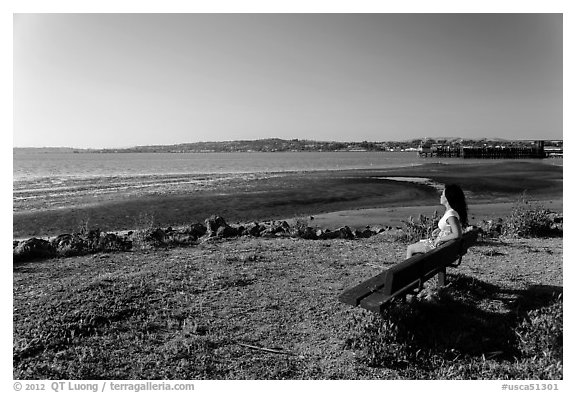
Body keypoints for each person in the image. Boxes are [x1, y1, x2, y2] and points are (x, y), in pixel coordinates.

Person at [406, 184, 468, 259]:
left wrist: (440, 239)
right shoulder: (451, 212)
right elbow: (450, 228)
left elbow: (457, 234)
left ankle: (408, 270)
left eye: (442, 194)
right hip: (443, 247)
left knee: (410, 248)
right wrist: (440, 230)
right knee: (416, 245)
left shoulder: (451, 215)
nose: (440, 196)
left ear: (448, 198)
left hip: (438, 248)